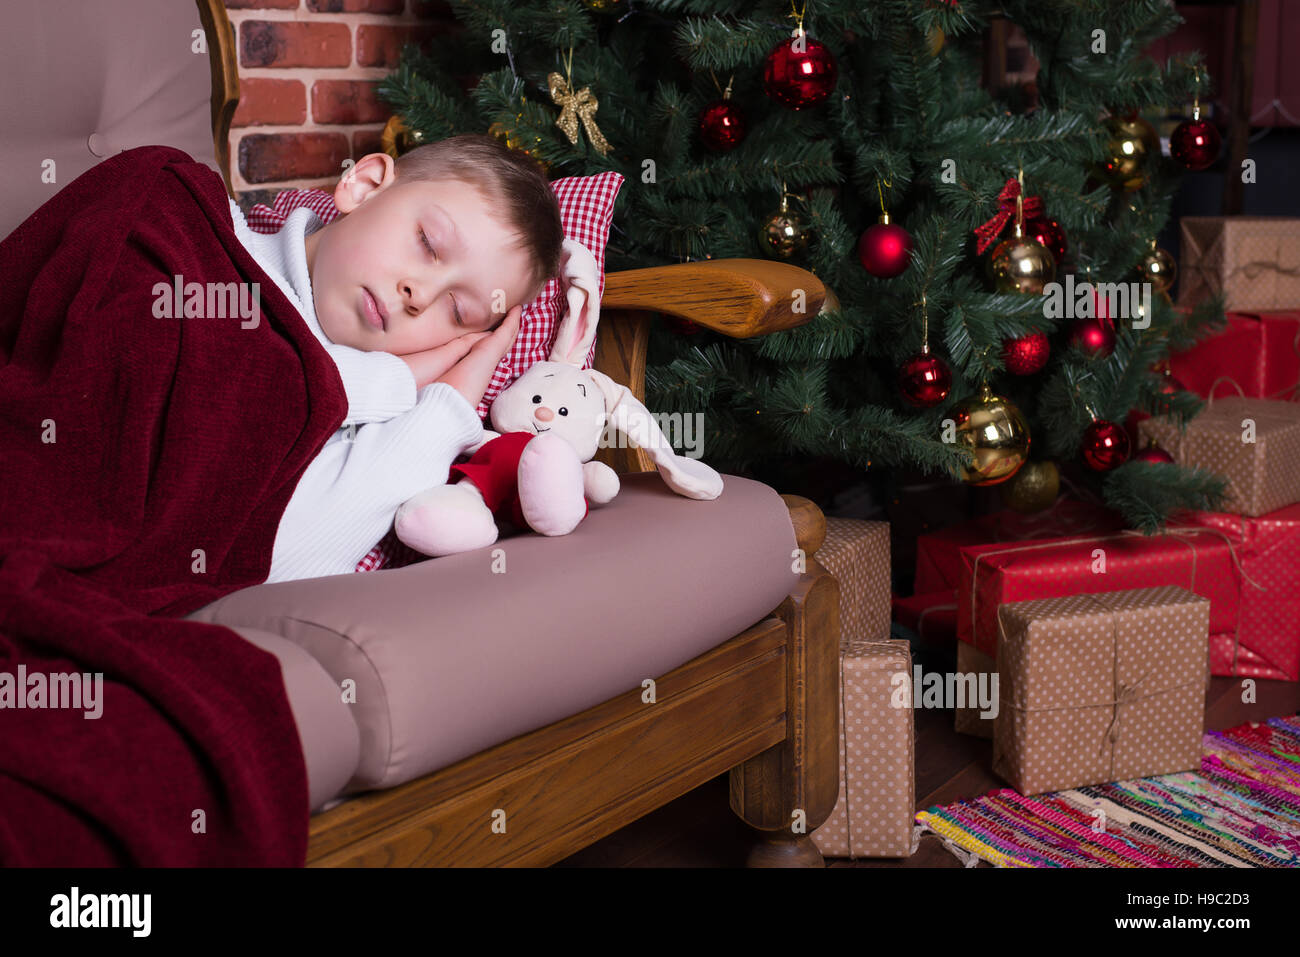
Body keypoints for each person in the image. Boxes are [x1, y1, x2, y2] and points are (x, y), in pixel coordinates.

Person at [227, 133, 565, 582]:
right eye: (428, 242)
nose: (420, 294)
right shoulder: (203, 246)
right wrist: (392, 378)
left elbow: (265, 564)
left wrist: (448, 402)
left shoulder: (352, 438)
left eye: (458, 310)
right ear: (364, 185)